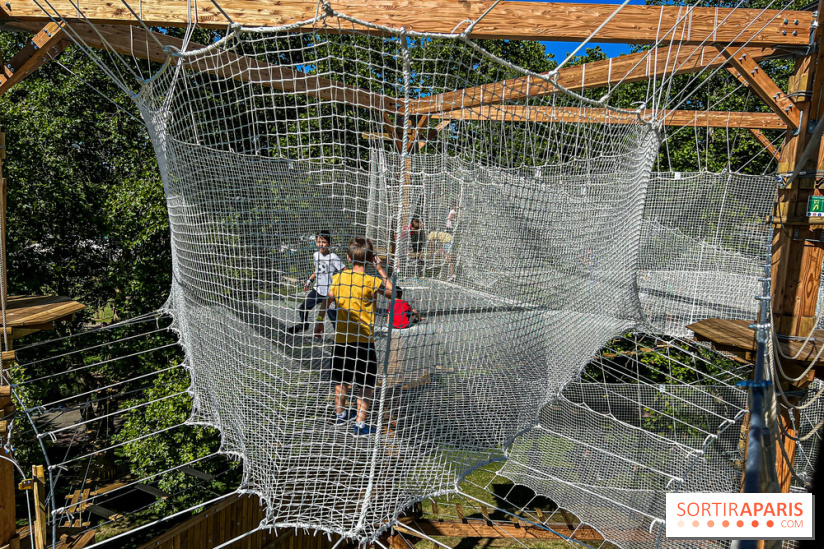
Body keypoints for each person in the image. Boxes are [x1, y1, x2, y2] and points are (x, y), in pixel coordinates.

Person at [322, 237, 393, 436]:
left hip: (342, 341)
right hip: (364, 342)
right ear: (371, 258)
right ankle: (360, 425)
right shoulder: (371, 281)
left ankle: (340, 414)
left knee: (341, 380)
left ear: (347, 257)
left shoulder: (339, 278)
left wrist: (319, 322)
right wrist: (380, 269)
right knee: (366, 384)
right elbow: (394, 293)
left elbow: (327, 300)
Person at [287, 231, 345, 334]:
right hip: (318, 290)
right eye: (319, 241)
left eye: (324, 242)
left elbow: (344, 270)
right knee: (303, 308)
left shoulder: (333, 257)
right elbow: (317, 270)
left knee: (333, 317)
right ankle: (303, 325)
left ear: (329, 244)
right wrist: (309, 280)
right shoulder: (315, 255)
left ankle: (339, 339)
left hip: (330, 293)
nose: (321, 244)